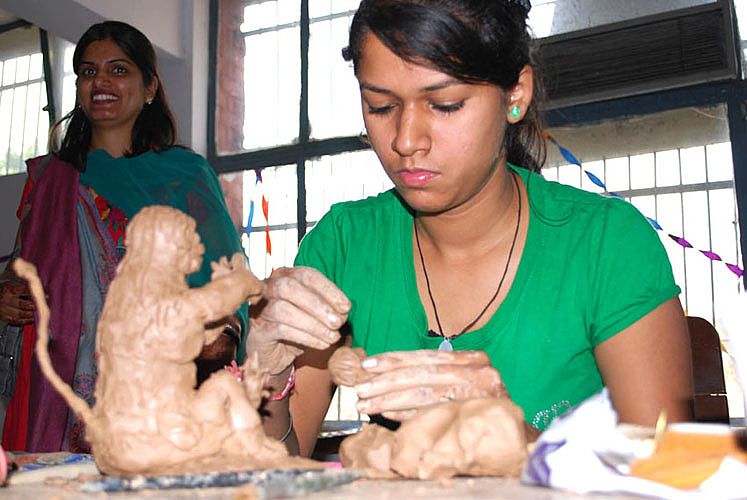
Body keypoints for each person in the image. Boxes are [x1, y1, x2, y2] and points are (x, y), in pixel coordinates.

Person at [247, 0, 694, 458]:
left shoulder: (606, 245)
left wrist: (517, 442)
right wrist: (267, 378)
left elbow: (669, 474)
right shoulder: (343, 246)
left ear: (515, 95)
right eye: (381, 106)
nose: (406, 140)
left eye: (445, 104)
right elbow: (275, 471)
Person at [0, 21, 246, 453]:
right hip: (54, 391)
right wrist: (4, 294)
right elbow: (21, 268)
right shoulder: (52, 179)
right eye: (88, 71)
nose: (101, 82)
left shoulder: (184, 176)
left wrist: (223, 329)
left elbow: (228, 279)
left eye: (118, 70)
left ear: (149, 86)